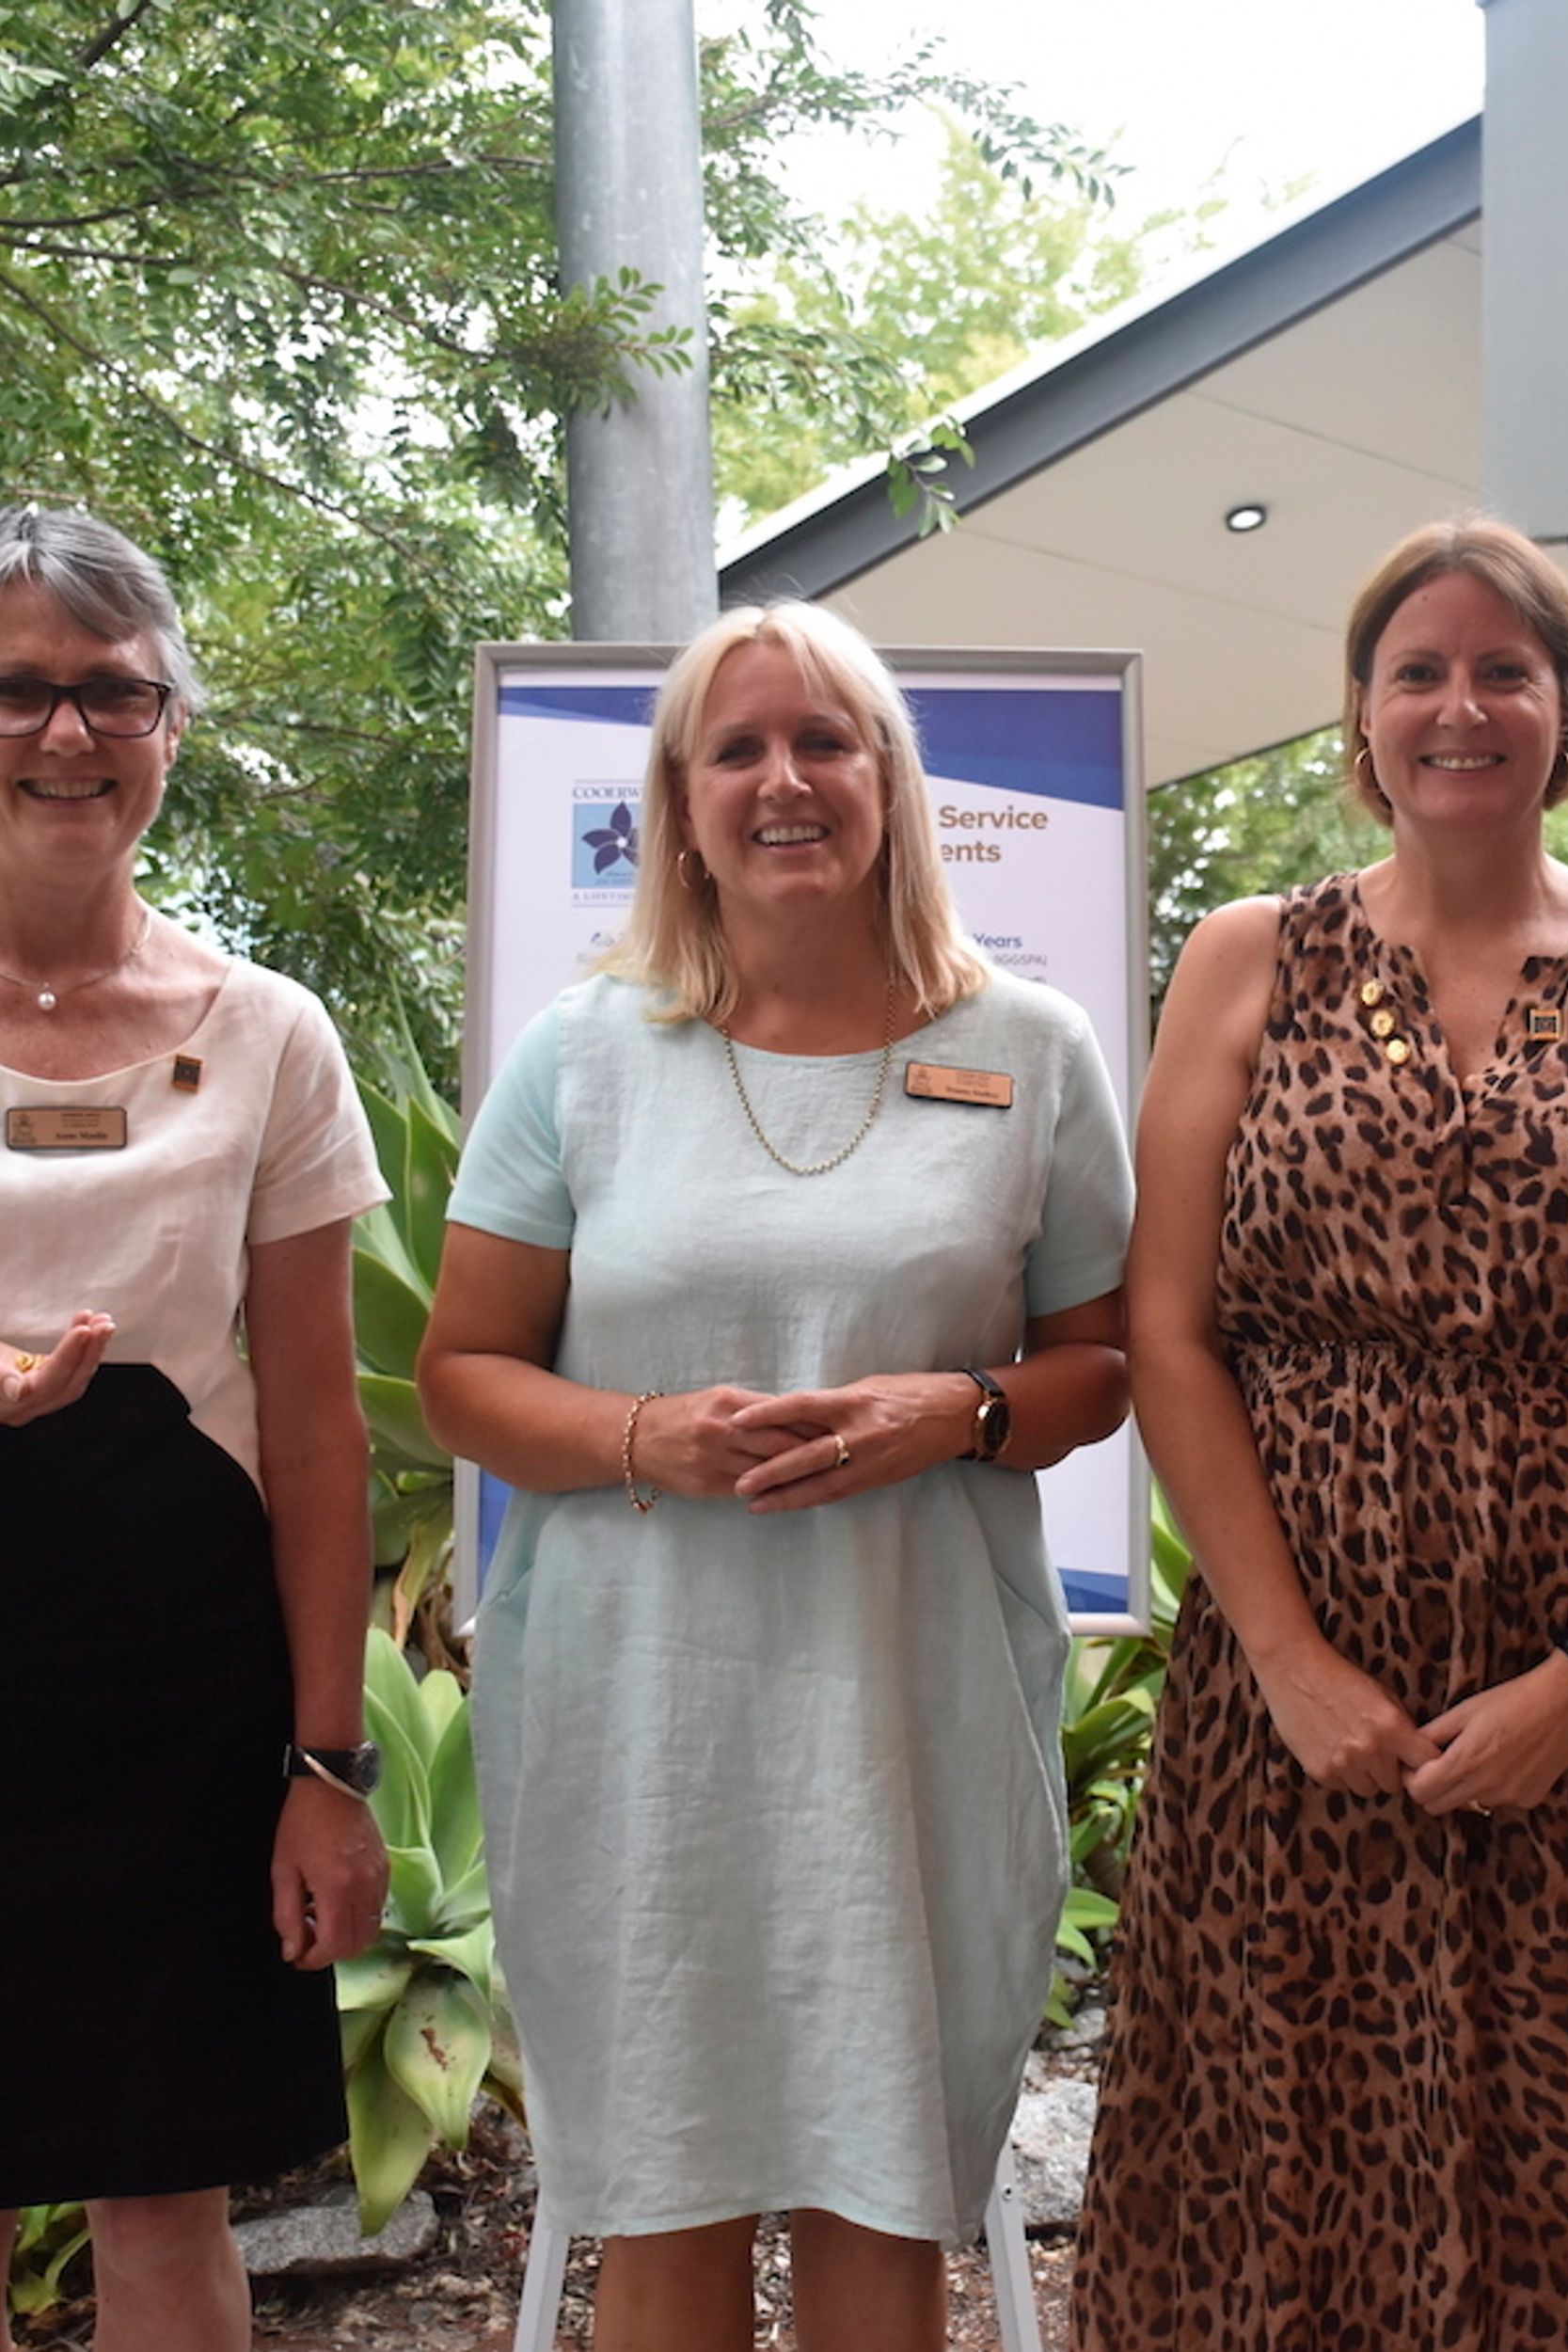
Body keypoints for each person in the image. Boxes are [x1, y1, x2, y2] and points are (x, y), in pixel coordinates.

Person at [1073, 517, 1568, 2346]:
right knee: (1277, 2201)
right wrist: (1286, 1662)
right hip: (1299, 1729)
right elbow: (1167, 1332)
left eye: (1505, 669)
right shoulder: (1247, 961)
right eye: (1417, 670)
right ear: (1362, 714)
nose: (1459, 705)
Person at [415, 600, 1132, 2352]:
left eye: (825, 741)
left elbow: (1104, 1369)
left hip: (914, 1707)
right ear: (678, 802)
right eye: (736, 749)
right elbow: (461, 1377)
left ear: (892, 782)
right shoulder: (583, 1053)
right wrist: (642, 1436)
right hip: (643, 1716)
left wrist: (958, 1410)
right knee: (666, 2185)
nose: (783, 780)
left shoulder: (1032, 1047)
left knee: (883, 2187)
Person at [0, 505, 389, 2352]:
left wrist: (328, 1765)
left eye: (113, 691)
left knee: (162, 2182)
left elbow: (318, 1432)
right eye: (16, 689)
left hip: (179, 1688)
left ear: (171, 724)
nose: (65, 733)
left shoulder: (268, 1033)